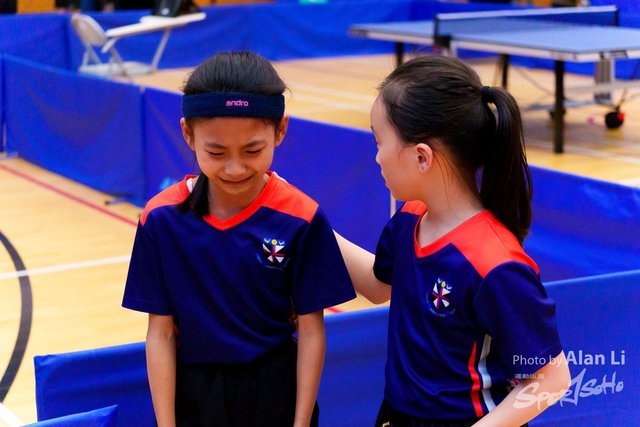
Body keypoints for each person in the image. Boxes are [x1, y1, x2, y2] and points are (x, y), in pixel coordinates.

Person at [335, 55, 571, 427]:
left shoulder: (495, 263)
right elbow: (378, 286)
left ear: (422, 157)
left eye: (379, 141)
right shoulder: (409, 219)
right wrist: (309, 221)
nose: (377, 157)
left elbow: (551, 378)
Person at [122, 51, 356, 427]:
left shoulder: (301, 217)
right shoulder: (161, 219)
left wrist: (299, 423)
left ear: (280, 130)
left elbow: (312, 331)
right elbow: (161, 333)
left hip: (276, 393)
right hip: (196, 395)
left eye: (253, 150)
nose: (234, 168)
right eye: (216, 152)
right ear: (188, 133)